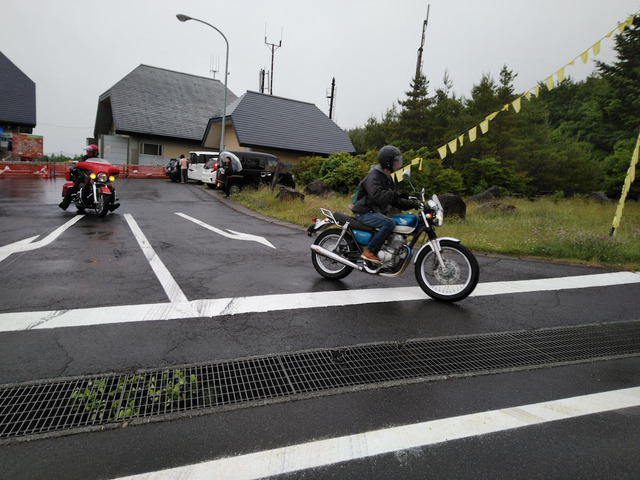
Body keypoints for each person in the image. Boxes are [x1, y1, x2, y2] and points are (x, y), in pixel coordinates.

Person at [350, 145, 417, 264]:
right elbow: (377, 195)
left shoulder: (387, 178)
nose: (398, 164)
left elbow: (394, 200)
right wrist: (398, 194)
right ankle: (369, 251)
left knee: (394, 223)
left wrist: (412, 204)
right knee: (389, 223)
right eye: (396, 161)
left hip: (374, 212)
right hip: (364, 212)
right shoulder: (374, 176)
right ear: (388, 162)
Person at [59, 144, 99, 210]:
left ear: (95, 152)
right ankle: (64, 204)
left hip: (94, 176)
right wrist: (75, 166)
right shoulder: (85, 158)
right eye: (87, 151)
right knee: (75, 187)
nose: (88, 153)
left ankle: (110, 204)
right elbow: (80, 164)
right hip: (83, 176)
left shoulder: (98, 160)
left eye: (89, 152)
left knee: (107, 184)